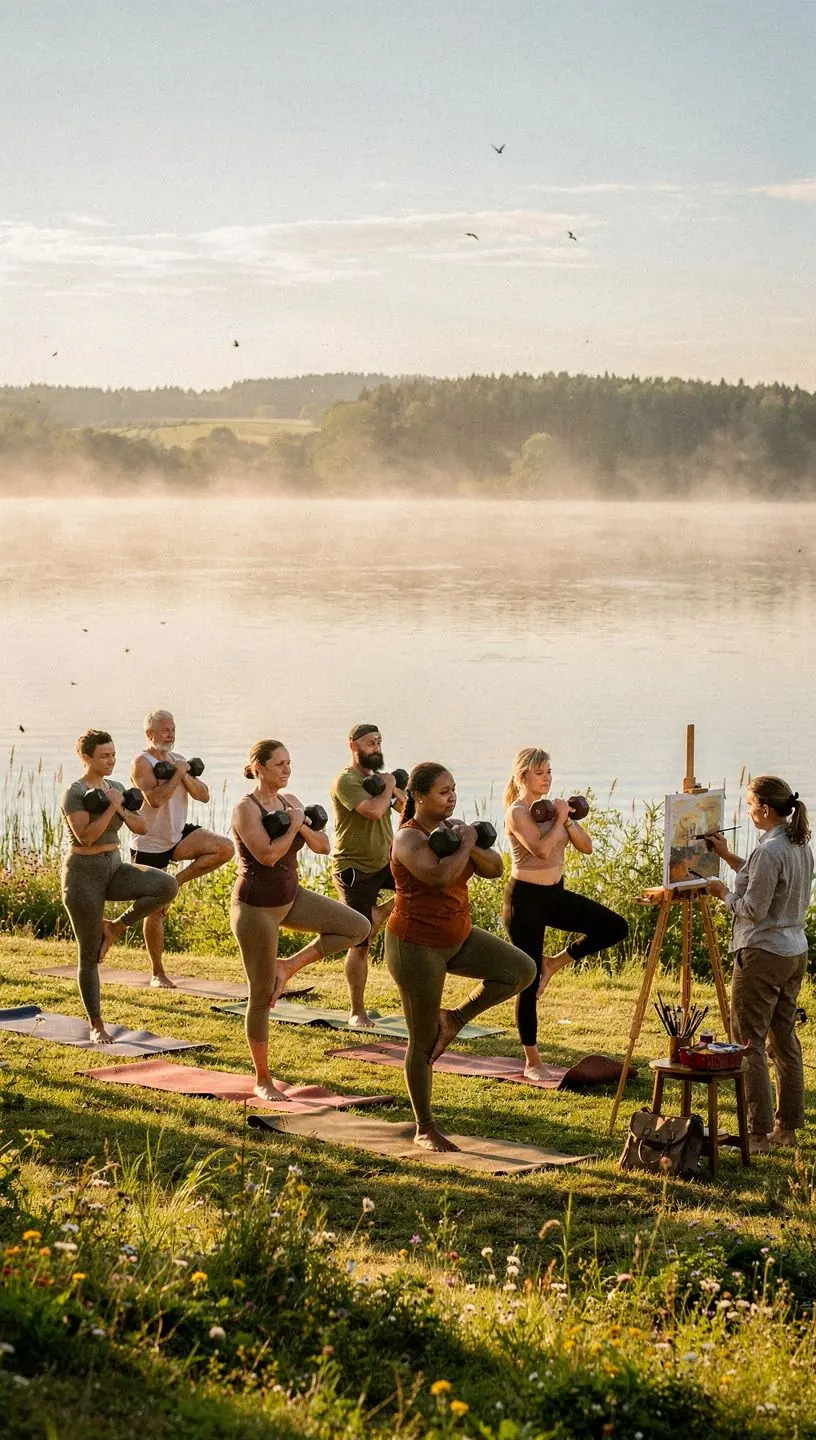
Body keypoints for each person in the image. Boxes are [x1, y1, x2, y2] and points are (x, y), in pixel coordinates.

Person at [385, 762, 536, 1151]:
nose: (451, 796)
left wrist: (467, 839)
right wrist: (467, 843)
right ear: (418, 796)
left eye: (453, 789)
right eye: (442, 791)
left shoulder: (453, 831)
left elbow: (495, 867)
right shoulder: (408, 839)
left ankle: (455, 1018)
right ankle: (424, 1128)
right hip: (416, 947)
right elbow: (437, 876)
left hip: (459, 937)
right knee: (422, 1042)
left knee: (522, 970)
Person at [230, 739, 371, 1100]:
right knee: (260, 995)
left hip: (291, 899)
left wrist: (299, 823)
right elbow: (266, 856)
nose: (287, 770)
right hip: (255, 909)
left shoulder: (290, 803)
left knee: (358, 927)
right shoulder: (245, 809)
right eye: (279, 764)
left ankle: (288, 966)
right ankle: (262, 1079)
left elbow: (323, 846)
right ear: (258, 767)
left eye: (289, 763)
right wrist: (295, 827)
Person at [503, 747, 629, 1081]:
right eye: (540, 772)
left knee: (615, 927)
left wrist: (567, 819)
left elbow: (585, 847)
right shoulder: (517, 813)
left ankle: (555, 962)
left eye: (549, 772)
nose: (547, 777)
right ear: (523, 776)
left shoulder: (556, 810)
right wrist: (561, 820)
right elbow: (541, 849)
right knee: (528, 982)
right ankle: (532, 1062)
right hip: (525, 900)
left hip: (555, 895)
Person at [705, 775, 813, 1153]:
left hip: (763, 955)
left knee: (748, 1043)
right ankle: (788, 1129)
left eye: (750, 805)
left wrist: (723, 894)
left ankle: (757, 1134)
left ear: (765, 809)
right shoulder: (797, 843)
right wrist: (726, 856)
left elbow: (752, 907)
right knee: (784, 1040)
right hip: (793, 952)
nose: (748, 811)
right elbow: (761, 881)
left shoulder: (770, 852)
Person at [60, 729, 178, 1044]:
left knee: (165, 885)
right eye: (104, 756)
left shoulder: (117, 788)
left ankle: (116, 926)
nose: (111, 761)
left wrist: (121, 807)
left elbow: (142, 825)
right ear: (86, 758)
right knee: (88, 956)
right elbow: (85, 836)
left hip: (114, 867)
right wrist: (112, 807)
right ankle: (97, 1023)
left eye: (113, 754)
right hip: (83, 875)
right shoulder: (73, 792)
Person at [130, 710, 233, 987]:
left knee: (224, 848)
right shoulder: (142, 762)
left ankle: (175, 883)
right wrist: (177, 774)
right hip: (150, 842)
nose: (170, 734)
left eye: (173, 728)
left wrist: (183, 773)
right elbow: (155, 800)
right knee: (155, 911)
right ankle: (157, 973)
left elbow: (204, 795)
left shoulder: (178, 761)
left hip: (177, 835)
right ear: (150, 734)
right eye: (164, 730)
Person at [330, 723, 407, 1028]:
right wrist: (388, 784)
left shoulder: (379, 781)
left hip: (384, 862)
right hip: (354, 868)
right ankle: (357, 1012)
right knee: (360, 941)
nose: (375, 747)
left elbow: (404, 809)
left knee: (422, 884)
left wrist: (398, 792)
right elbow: (374, 811)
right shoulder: (345, 781)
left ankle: (377, 914)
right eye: (369, 743)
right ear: (353, 746)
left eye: (378, 742)